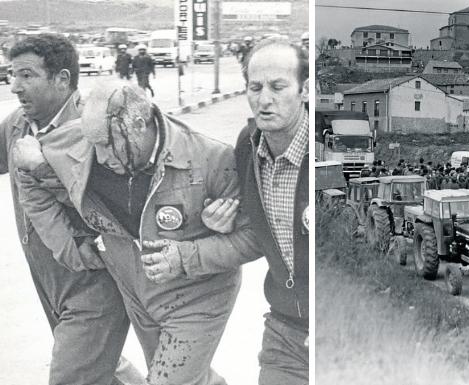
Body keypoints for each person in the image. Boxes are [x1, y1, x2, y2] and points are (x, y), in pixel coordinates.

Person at [14, 81, 254, 384]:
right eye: (94, 146)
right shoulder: (85, 139)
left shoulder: (212, 160)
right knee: (187, 376)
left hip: (198, 296)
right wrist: (68, 245)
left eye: (106, 145)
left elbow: (252, 238)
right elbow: (25, 167)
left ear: (139, 124)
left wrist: (185, 256)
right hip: (138, 295)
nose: (99, 157)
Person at [4, 33, 143, 385]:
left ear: (62, 79)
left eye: (27, 75)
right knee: (103, 369)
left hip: (94, 280)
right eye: (12, 74)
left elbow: (120, 206)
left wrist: (42, 167)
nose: (15, 87)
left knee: (74, 374)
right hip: (50, 279)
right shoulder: (18, 124)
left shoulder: (96, 130)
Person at [197, 38, 309, 384]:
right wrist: (218, 223)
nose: (264, 100)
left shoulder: (322, 156)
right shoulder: (247, 147)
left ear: (305, 90)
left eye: (278, 87)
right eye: (255, 87)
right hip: (284, 330)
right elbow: (253, 233)